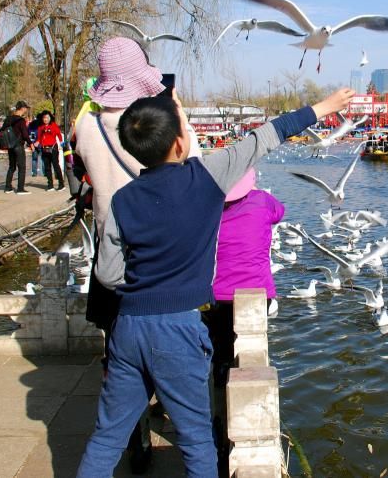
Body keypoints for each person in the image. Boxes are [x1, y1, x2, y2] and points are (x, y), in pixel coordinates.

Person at [76, 86, 353, 478]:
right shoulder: (207, 177)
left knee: (106, 437)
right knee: (197, 441)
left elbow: (107, 274)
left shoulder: (122, 199)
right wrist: (324, 107)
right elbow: (265, 136)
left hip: (130, 327)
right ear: (180, 140)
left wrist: (144, 278)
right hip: (178, 329)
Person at [74, 36, 200, 473]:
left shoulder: (86, 126)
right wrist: (175, 107)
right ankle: (174, 409)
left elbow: (82, 163)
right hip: (158, 251)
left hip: (112, 248)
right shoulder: (159, 122)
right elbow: (193, 167)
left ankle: (136, 437)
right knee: (169, 348)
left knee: (120, 358)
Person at [203, 169, 284, 475]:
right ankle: (244, 416)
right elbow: (280, 213)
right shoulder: (263, 201)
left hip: (217, 296)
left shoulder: (207, 208)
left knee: (221, 354)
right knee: (249, 354)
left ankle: (220, 419)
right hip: (257, 295)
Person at [0, 101, 31, 194]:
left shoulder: (8, 119)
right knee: (22, 167)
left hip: (10, 146)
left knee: (12, 166)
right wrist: (31, 143)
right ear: (22, 108)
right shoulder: (20, 120)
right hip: (18, 146)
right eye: (25, 108)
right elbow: (25, 134)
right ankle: (20, 189)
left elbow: (2, 130)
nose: (26, 110)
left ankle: (7, 187)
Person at [33, 110, 65, 191]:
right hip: (44, 149)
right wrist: (37, 142)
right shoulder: (40, 127)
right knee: (47, 167)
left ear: (50, 118)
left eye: (47, 117)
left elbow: (59, 134)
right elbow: (39, 137)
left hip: (53, 148)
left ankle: (61, 184)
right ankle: (50, 185)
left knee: (56, 166)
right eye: (44, 118)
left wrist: (61, 143)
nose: (45, 119)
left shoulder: (54, 125)